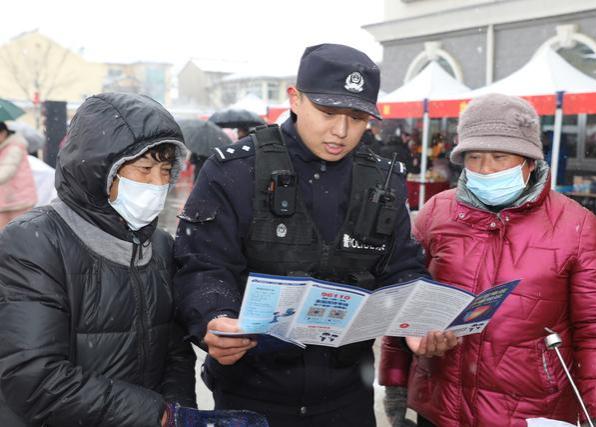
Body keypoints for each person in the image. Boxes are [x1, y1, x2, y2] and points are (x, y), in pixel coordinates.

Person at [173, 43, 457, 427]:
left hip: (347, 397)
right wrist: (215, 316)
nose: (341, 131)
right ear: (294, 99)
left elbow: (401, 266)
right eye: (327, 112)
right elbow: (203, 265)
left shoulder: (384, 179)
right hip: (251, 393)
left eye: (357, 118)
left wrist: (418, 320)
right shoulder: (236, 170)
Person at [379, 93, 596, 427]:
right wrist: (395, 380)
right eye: (475, 157)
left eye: (499, 157)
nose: (486, 169)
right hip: (440, 408)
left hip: (531, 413)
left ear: (529, 161)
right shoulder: (436, 212)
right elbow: (405, 296)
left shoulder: (578, 226)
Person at [0, 93, 197, 426]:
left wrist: (176, 409)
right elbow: (32, 373)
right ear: (99, 168)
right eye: (145, 169)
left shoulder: (160, 245)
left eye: (166, 171)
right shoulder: (33, 242)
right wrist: (150, 413)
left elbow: (174, 351)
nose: (158, 184)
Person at [0, 121, 37, 229]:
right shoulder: (3, 146)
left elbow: (7, 170)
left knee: (16, 236)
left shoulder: (14, 147)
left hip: (18, 200)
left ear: (2, 133)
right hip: (7, 200)